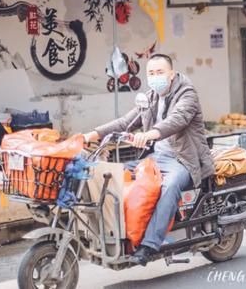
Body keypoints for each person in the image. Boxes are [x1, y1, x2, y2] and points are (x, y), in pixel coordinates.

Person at [84, 53, 215, 265]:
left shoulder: (187, 94)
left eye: (160, 72)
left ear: (171, 74)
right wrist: (91, 135)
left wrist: (148, 134)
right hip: (156, 158)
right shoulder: (151, 97)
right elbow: (126, 122)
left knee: (169, 186)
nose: (155, 77)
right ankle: (118, 234)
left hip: (184, 160)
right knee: (113, 174)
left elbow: (176, 120)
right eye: (151, 73)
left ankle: (149, 246)